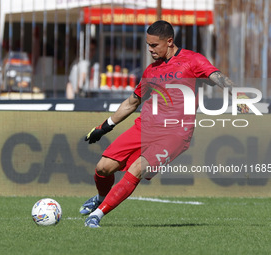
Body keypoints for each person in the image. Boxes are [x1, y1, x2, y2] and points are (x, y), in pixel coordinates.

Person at [81, 20, 249, 228]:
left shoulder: (192, 60)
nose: (150, 49)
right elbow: (132, 102)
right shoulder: (151, 70)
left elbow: (218, 77)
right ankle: (101, 198)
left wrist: (241, 98)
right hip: (146, 127)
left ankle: (96, 215)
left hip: (175, 133)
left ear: (169, 42)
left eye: (154, 45)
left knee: (136, 169)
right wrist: (105, 126)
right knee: (103, 167)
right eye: (148, 45)